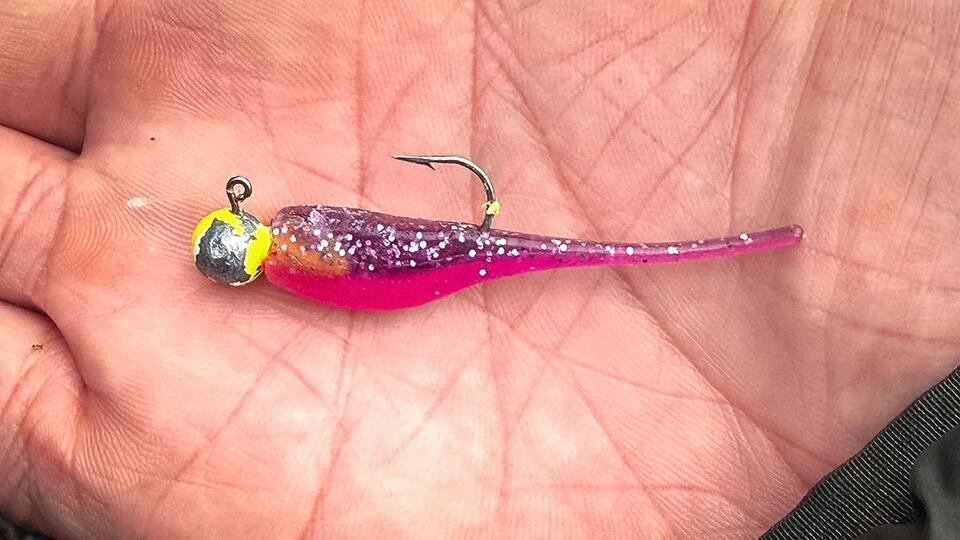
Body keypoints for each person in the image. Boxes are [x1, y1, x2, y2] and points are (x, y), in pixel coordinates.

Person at [1, 1, 958, 538]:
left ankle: (746, 241)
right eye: (232, 243)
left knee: (559, 254)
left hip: (444, 256)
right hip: (440, 259)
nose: (241, 237)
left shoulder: (290, 247)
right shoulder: (292, 255)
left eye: (232, 232)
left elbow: (365, 242)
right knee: (558, 255)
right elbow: (365, 252)